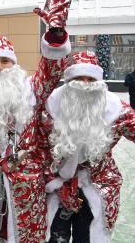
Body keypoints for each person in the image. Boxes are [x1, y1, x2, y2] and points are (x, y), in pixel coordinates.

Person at [0, 0, 72, 242]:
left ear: (15, 64)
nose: (0, 68)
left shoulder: (32, 89)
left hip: (25, 182)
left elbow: (52, 69)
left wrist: (55, 33)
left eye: (5, 62)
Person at [44, 51, 135, 243]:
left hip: (98, 183)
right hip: (56, 185)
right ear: (68, 81)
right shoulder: (50, 107)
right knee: (54, 237)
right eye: (79, 78)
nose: (85, 85)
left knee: (87, 237)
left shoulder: (116, 109)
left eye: (90, 79)